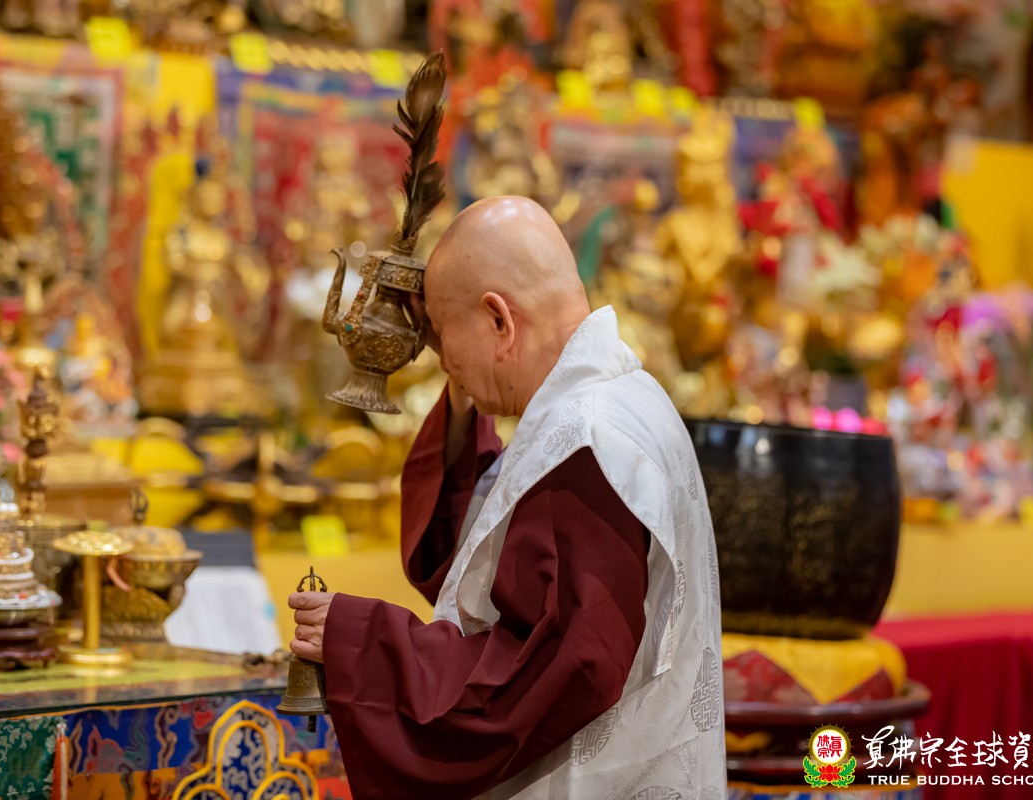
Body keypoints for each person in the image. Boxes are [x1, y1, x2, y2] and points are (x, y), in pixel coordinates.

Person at [290, 196, 725, 799]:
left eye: (444, 334)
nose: (443, 360)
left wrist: (359, 640)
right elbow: (486, 563)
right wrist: (456, 361)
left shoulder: (588, 442)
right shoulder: (621, 401)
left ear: (500, 320)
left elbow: (550, 670)